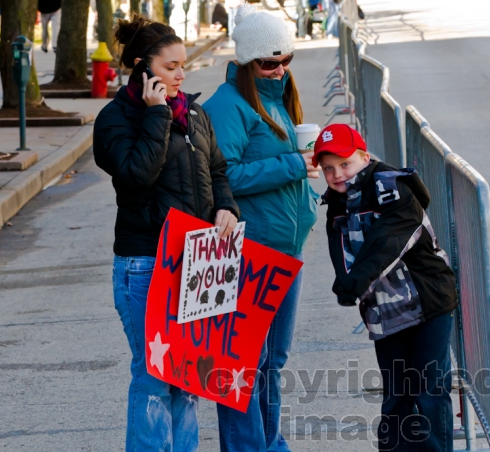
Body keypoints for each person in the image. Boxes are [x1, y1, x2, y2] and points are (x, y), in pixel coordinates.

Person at [93, 14, 240, 452]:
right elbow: (137, 176)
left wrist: (227, 208)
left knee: (188, 377)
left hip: (195, 263)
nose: (181, 74)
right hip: (146, 265)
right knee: (155, 375)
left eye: (183, 66)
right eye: (171, 66)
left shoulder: (194, 112)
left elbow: (216, 170)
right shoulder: (115, 120)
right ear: (142, 67)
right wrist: (157, 115)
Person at [203, 5, 319, 452]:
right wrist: (292, 164)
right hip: (251, 251)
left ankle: (271, 444)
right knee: (244, 362)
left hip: (285, 252)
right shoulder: (227, 106)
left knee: (273, 361)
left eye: (286, 60)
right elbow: (224, 175)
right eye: (269, 63)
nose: (279, 70)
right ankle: (249, 447)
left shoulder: (277, 96)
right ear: (248, 62)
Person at [314, 124, 457, 452]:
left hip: (428, 300)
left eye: (345, 164)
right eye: (328, 168)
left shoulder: (391, 186)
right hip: (385, 310)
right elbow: (342, 253)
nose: (337, 174)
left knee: (429, 392)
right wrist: (347, 282)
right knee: (397, 396)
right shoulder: (336, 201)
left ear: (365, 157)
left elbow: (389, 239)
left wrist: (354, 282)